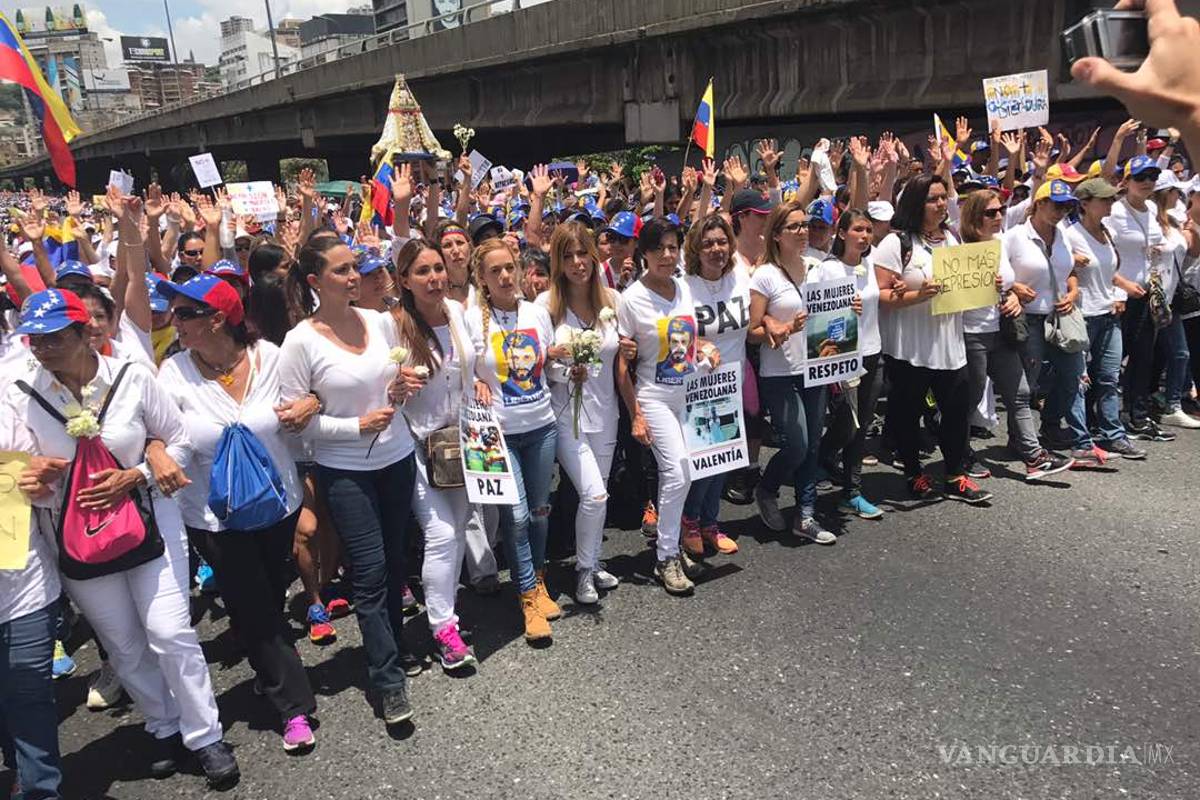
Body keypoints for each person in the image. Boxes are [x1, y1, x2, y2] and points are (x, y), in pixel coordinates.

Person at [5, 288, 239, 788]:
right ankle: (162, 723)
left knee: (170, 632)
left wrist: (137, 474)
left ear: (87, 332)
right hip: (75, 538)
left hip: (150, 521)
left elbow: (177, 438)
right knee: (124, 644)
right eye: (35, 340)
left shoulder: (132, 376)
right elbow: (15, 460)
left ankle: (205, 734)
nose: (43, 349)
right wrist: (33, 479)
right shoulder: (19, 392)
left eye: (54, 338)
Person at [156, 274, 318, 752]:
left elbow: (310, 394)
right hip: (214, 517)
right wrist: (155, 448)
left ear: (219, 317)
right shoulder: (173, 374)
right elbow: (159, 427)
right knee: (255, 608)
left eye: (185, 314)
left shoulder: (270, 356)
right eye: (175, 314)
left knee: (269, 594)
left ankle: (265, 665)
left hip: (278, 503)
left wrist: (312, 402)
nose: (174, 322)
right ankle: (294, 707)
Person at [278, 236, 421, 726]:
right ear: (316, 282)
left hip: (397, 457)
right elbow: (292, 424)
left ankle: (396, 649)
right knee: (370, 569)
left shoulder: (381, 322)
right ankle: (387, 680)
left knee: (397, 558)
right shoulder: (300, 341)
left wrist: (401, 390)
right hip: (346, 471)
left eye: (354, 267)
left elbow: (390, 392)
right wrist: (352, 426)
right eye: (341, 271)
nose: (354, 276)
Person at [874, 173, 993, 503]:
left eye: (943, 197)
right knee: (907, 413)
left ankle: (956, 474)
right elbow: (880, 295)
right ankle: (913, 472)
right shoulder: (895, 244)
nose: (941, 204)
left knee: (956, 412)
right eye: (932, 199)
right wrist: (917, 296)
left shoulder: (953, 238)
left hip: (950, 343)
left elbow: (963, 288)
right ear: (916, 202)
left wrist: (985, 283)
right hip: (911, 346)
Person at [464, 239, 561, 640]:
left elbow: (547, 362)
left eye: (509, 268)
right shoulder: (471, 320)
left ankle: (538, 581)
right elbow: (460, 370)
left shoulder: (536, 313)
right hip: (498, 435)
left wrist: (567, 357)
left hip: (542, 425)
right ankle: (525, 597)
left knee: (539, 512)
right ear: (481, 280)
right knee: (515, 517)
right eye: (495, 271)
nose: (505, 276)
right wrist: (473, 381)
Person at [390, 238, 479, 669]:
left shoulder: (459, 313)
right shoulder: (393, 327)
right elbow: (381, 392)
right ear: (404, 280)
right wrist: (394, 390)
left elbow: (472, 368)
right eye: (422, 271)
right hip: (418, 445)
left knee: (460, 526)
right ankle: (442, 627)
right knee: (441, 534)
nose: (434, 278)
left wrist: (479, 384)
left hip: (461, 443)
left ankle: (448, 605)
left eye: (438, 269)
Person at [616, 218, 717, 594]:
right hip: (654, 397)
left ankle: (672, 545)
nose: (667, 255)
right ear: (643, 252)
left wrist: (704, 348)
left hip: (688, 393)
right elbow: (622, 365)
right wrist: (636, 413)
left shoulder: (684, 289)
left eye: (673, 247)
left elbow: (688, 338)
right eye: (658, 248)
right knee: (678, 473)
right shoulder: (632, 299)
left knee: (687, 471)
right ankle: (664, 559)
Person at [959, 191, 1075, 479]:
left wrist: (1011, 293)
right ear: (974, 216)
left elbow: (1012, 283)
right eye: (990, 213)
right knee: (968, 400)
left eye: (1000, 211)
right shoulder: (959, 246)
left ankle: (1033, 456)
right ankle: (959, 453)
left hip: (1002, 330)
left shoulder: (1001, 243)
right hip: (970, 332)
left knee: (1020, 393)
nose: (998, 217)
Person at [539, 222, 623, 604]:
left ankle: (592, 560)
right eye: (568, 256)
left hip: (606, 412)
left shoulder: (613, 303)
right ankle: (583, 573)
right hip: (564, 414)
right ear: (557, 262)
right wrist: (560, 368)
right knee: (594, 495)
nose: (577, 263)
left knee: (599, 492)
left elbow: (624, 352)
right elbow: (536, 364)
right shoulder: (545, 307)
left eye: (582, 253)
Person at [748, 201, 836, 541]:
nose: (802, 232)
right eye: (794, 227)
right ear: (777, 235)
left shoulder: (818, 267)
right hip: (779, 372)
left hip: (815, 368)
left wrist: (850, 307)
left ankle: (806, 513)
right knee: (797, 444)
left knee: (813, 444)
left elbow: (833, 315)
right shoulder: (765, 276)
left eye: (805, 225)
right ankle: (767, 488)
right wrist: (780, 329)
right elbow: (752, 332)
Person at [808, 209, 891, 516]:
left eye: (869, 230)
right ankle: (821, 459)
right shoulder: (826, 270)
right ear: (841, 234)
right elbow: (817, 317)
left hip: (872, 351)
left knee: (863, 424)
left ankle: (852, 490)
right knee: (847, 423)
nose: (865, 235)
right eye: (858, 229)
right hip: (843, 358)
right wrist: (843, 309)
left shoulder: (870, 265)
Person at [1, 419, 62, 799]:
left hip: (23, 587)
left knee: (30, 697)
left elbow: (49, 488)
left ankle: (39, 787)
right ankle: (18, 764)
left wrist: (42, 484)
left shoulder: (6, 412)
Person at [681, 213, 746, 553]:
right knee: (703, 459)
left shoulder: (740, 277)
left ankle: (710, 523)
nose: (716, 249)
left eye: (722, 242)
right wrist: (699, 345)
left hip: (731, 382)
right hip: (697, 385)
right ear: (695, 248)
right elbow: (671, 333)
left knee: (725, 456)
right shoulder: (684, 286)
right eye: (707, 244)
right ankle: (689, 520)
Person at [1105, 156, 1176, 442]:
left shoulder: (1150, 210)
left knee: (1143, 358)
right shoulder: (1115, 212)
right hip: (1120, 296)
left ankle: (1137, 417)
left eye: (1152, 176)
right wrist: (1121, 285)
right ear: (1126, 181)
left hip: (1147, 294)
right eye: (1140, 177)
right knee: (1109, 363)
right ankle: (1100, 416)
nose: (1147, 182)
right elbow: (1103, 253)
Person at [1150, 171, 1200, 428]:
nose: (1179, 196)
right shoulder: (1149, 221)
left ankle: (1167, 403)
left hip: (1172, 299)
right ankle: (1164, 404)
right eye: (1175, 192)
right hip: (1152, 299)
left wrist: (1193, 229)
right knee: (1162, 354)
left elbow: (1190, 252)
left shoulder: (1174, 220)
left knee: (1173, 353)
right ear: (1165, 193)